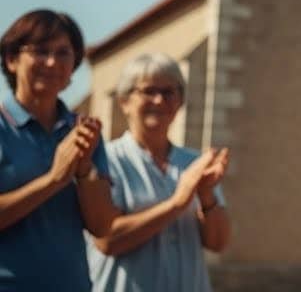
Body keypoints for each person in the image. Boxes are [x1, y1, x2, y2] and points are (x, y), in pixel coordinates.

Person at [87, 53, 230, 292]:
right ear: (124, 101)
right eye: (149, 91)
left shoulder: (195, 163)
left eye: (169, 92)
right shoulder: (105, 160)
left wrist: (206, 196)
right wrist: (176, 203)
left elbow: (218, 243)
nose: (159, 100)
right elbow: (106, 239)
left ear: (180, 101)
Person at [0, 10, 117, 291]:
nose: (52, 62)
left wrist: (86, 169)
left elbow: (102, 227)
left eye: (63, 53)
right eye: (40, 51)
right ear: (12, 60)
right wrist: (54, 179)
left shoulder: (84, 133)